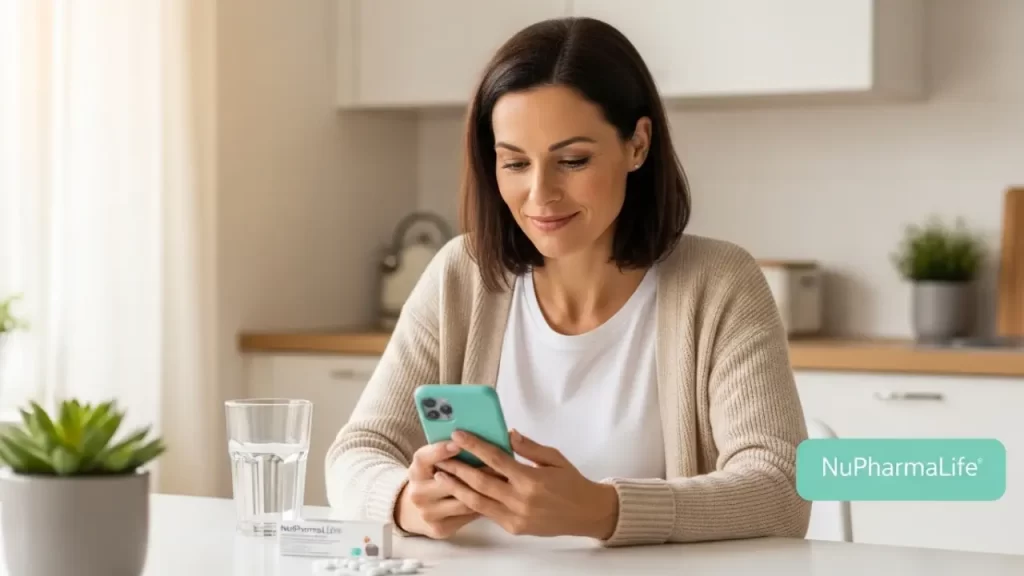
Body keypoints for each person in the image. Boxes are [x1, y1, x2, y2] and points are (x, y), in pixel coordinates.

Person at [325, 16, 810, 547]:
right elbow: (357, 452)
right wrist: (403, 501)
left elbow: (782, 489)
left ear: (638, 144)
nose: (540, 194)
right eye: (515, 163)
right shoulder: (462, 274)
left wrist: (604, 511)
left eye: (573, 160)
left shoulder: (719, 283)